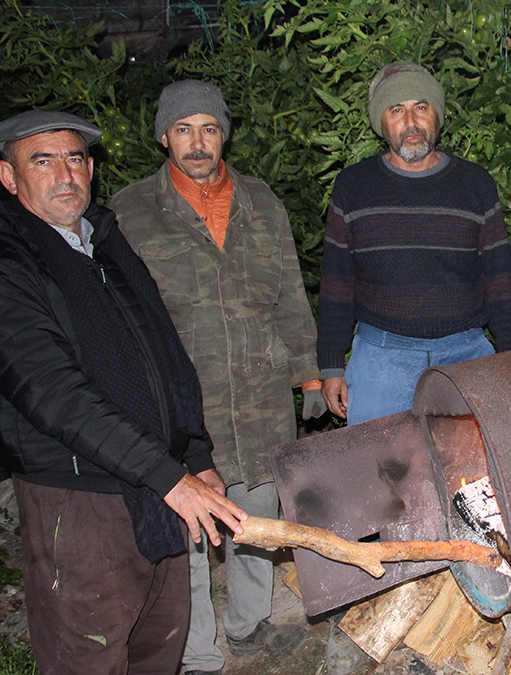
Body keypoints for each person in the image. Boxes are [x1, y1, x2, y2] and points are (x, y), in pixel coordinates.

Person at [0, 109, 247, 674]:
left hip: (157, 483)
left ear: (90, 169)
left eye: (74, 159)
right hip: (79, 497)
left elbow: (167, 355)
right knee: (89, 652)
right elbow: (55, 397)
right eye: (42, 161)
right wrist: (170, 476)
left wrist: (195, 455)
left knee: (158, 646)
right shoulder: (1, 271)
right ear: (9, 177)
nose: (64, 175)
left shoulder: (109, 247)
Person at [109, 80, 318, 674]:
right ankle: (197, 650)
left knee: (254, 515)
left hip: (259, 393)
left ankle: (249, 625)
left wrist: (305, 372)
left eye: (208, 128)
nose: (197, 143)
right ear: (163, 137)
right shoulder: (128, 212)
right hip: (179, 401)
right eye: (183, 130)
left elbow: (291, 298)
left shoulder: (261, 203)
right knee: (191, 528)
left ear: (224, 133)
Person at [316, 62, 511, 426]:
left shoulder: (474, 184)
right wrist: (332, 364)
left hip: (466, 354)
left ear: (437, 118)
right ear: (382, 123)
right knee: (383, 474)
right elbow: (337, 283)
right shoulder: (353, 187)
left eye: (421, 107)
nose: (411, 122)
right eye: (397, 110)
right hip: (381, 357)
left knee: (475, 474)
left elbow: (500, 281)